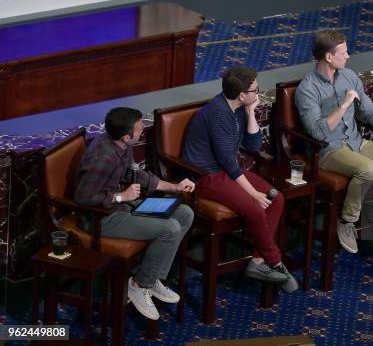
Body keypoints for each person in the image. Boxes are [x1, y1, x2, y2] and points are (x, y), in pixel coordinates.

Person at [295, 30, 373, 254]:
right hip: (328, 150)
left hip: (356, 142)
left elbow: (368, 110)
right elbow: (317, 132)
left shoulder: (349, 76)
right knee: (368, 168)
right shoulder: (307, 89)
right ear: (329, 57)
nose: (348, 56)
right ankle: (347, 220)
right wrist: (343, 105)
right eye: (344, 52)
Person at [182, 66, 298, 293]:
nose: (259, 94)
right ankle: (275, 261)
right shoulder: (218, 112)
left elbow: (254, 146)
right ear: (242, 95)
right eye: (255, 90)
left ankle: (257, 262)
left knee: (277, 198)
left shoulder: (237, 109)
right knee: (256, 205)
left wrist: (250, 113)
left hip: (226, 172)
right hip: (206, 176)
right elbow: (227, 161)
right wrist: (253, 193)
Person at [74, 107, 195, 321]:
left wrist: (174, 187)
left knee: (184, 213)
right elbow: (83, 199)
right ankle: (139, 285)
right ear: (126, 136)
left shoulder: (122, 146)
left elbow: (137, 174)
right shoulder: (103, 158)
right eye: (139, 130)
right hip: (101, 218)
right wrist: (121, 196)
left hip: (122, 207)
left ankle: (152, 277)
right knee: (170, 228)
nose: (142, 132)